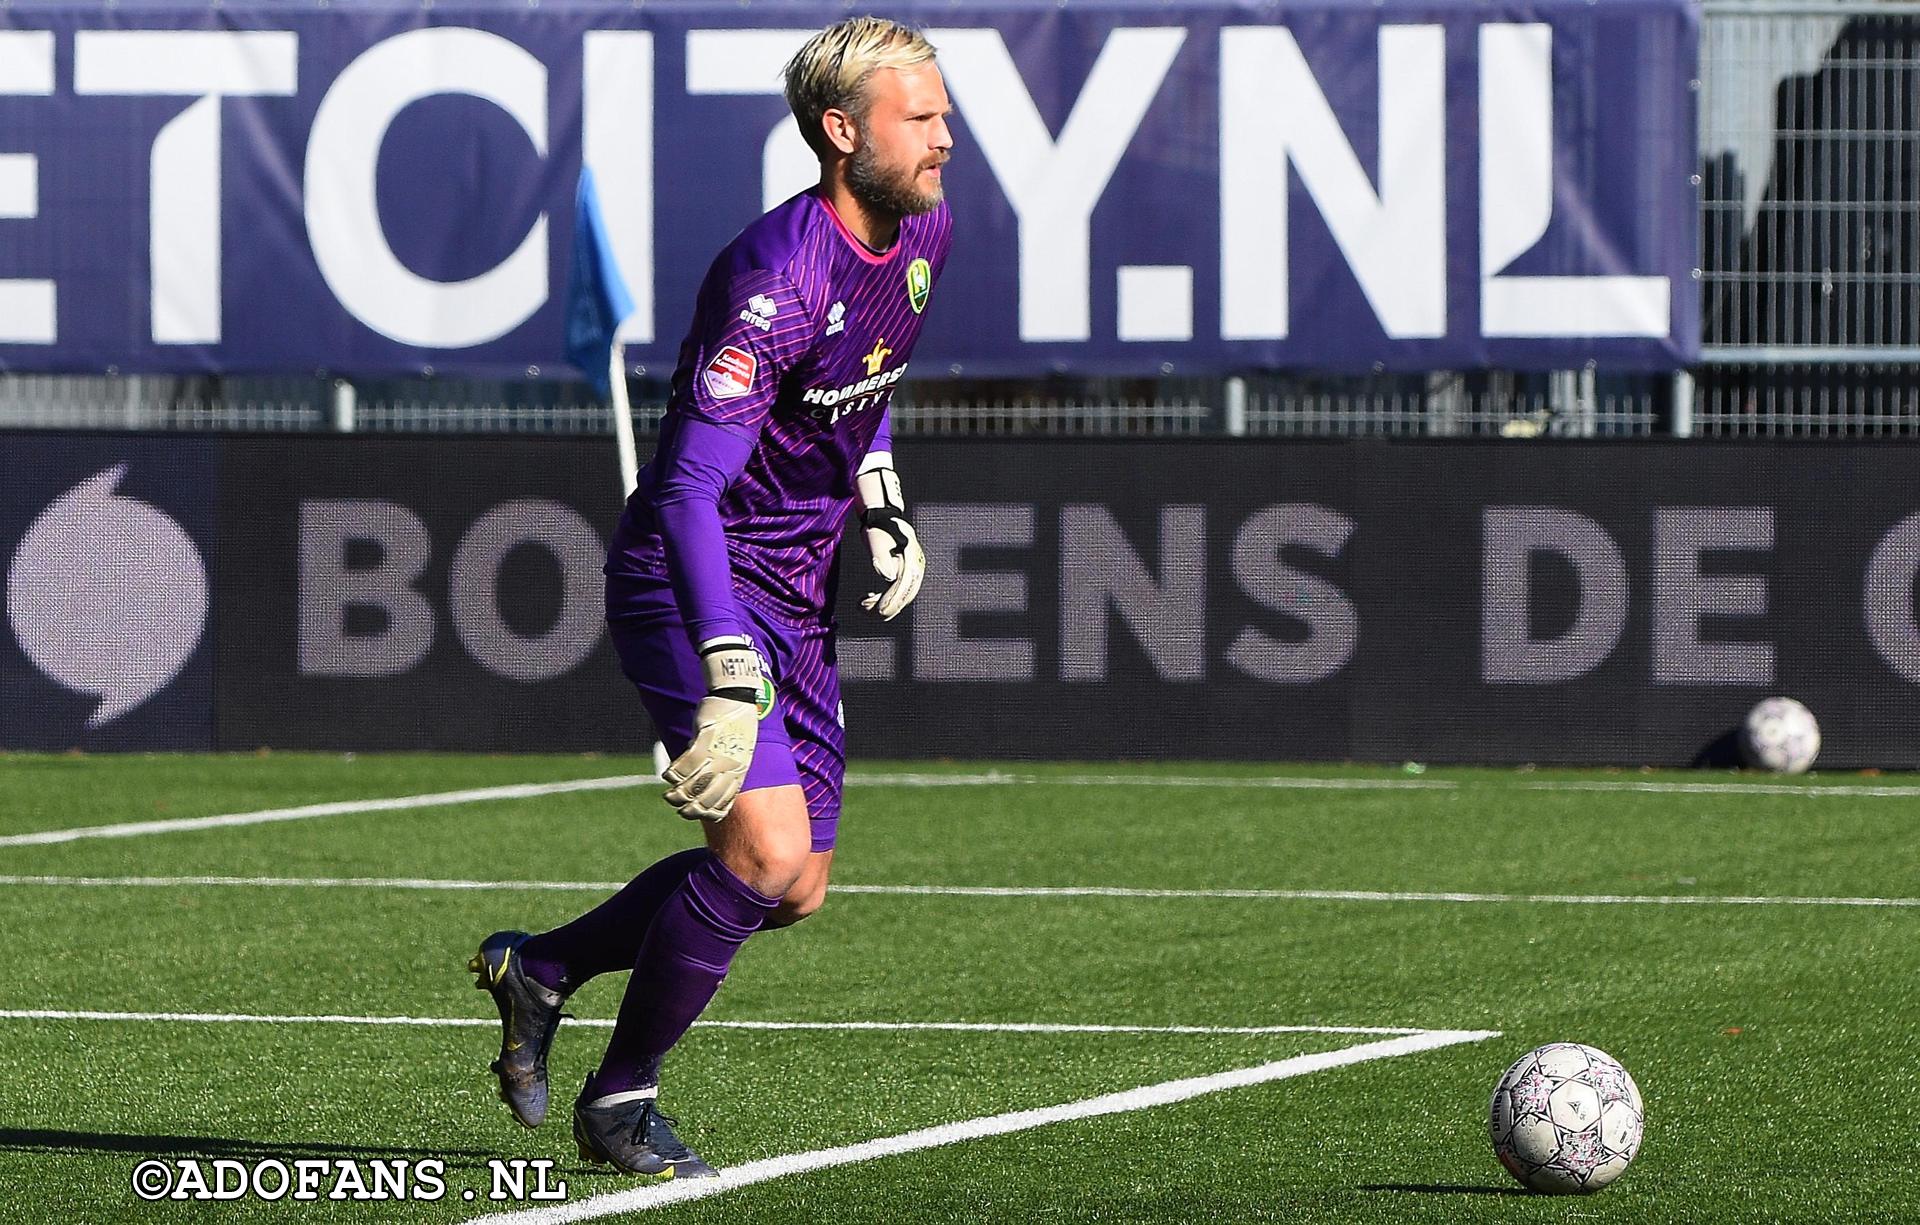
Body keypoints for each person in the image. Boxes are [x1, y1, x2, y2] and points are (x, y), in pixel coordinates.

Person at [469, 15, 953, 1179]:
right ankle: (621, 1103)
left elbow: (867, 378)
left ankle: (539, 970)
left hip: (796, 580)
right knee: (763, 856)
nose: (946, 137)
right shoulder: (776, 276)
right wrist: (731, 673)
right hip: (695, 578)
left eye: (943, 111)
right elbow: (685, 492)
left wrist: (880, 496)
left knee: (795, 892)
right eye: (921, 116)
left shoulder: (923, 227)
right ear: (843, 133)